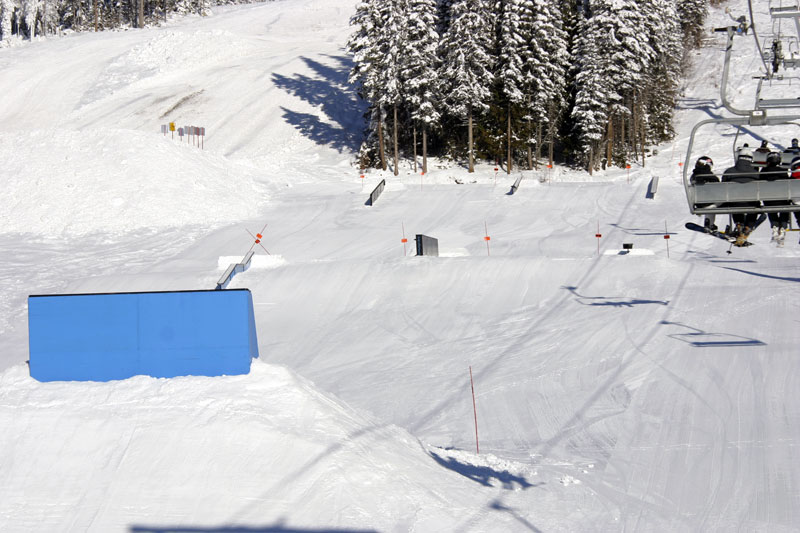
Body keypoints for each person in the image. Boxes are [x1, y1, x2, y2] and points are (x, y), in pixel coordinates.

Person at [722, 146, 761, 245]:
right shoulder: (756, 173)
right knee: (755, 205)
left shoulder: (729, 171)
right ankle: (748, 226)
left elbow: (722, 186)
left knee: (735, 201)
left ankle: (739, 223)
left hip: (734, 203)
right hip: (751, 203)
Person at [759, 151, 790, 242]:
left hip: (769, 199)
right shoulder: (783, 171)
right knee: (785, 208)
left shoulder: (764, 171)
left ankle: (774, 225)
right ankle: (783, 226)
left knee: (770, 208)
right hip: (782, 199)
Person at [690, 156, 719, 231]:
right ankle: (710, 224)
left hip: (698, 202)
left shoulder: (694, 175)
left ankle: (708, 222)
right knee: (713, 204)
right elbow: (717, 184)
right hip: (709, 201)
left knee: (710, 203)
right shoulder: (708, 175)